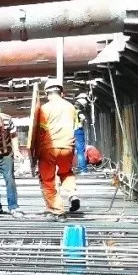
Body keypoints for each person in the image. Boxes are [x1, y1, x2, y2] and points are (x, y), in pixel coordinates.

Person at [35, 78, 81, 220]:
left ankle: (58, 211)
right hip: (68, 147)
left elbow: (41, 131)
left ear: (47, 94)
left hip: (49, 148)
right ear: (62, 93)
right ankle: (72, 194)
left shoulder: (45, 109)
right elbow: (76, 127)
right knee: (66, 172)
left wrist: (36, 153)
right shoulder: (71, 107)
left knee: (47, 180)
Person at [73, 92, 90, 173]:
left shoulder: (71, 111)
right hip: (78, 131)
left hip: (70, 131)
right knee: (80, 151)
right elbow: (82, 117)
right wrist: (81, 123)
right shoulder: (78, 112)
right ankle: (82, 168)